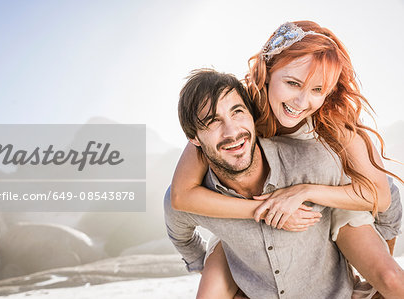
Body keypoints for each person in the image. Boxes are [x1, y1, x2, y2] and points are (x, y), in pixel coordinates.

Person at [170, 21, 404, 298]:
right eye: (293, 83)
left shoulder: (333, 122)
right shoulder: (236, 111)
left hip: (336, 196)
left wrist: (303, 191)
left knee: (389, 280)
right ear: (267, 72)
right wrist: (267, 209)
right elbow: (181, 196)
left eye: (318, 90)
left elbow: (381, 194)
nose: (302, 102)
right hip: (255, 207)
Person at [164, 68, 355, 298]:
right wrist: (209, 270)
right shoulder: (192, 198)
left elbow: (382, 195)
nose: (232, 131)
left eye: (237, 112)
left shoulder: (311, 163)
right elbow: (181, 234)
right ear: (194, 138)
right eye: (213, 121)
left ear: (252, 116)